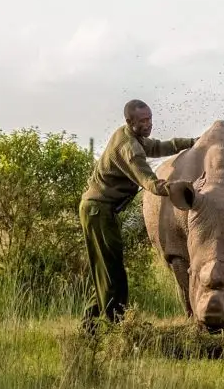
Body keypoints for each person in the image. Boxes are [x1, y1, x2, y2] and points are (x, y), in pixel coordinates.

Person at [78, 99, 197, 334]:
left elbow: (162, 146)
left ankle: (90, 327)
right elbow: (149, 183)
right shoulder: (129, 148)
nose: (148, 124)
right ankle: (117, 328)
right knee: (114, 273)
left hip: (99, 210)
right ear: (129, 122)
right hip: (98, 210)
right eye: (143, 121)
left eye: (150, 119)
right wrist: (179, 188)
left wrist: (194, 142)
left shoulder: (132, 137)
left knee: (105, 269)